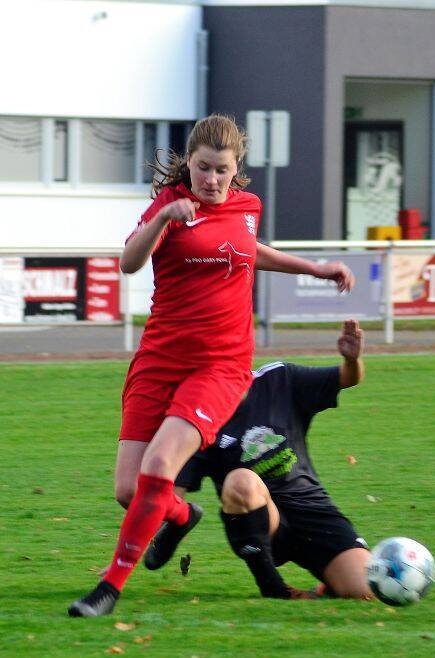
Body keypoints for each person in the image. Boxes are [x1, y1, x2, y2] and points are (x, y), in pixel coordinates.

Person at [68, 114, 355, 617]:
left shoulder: (248, 208)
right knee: (130, 490)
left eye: (222, 170)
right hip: (159, 359)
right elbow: (129, 262)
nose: (212, 180)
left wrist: (314, 267)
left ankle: (109, 588)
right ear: (190, 163)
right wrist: (161, 220)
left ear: (236, 167)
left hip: (220, 366)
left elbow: (245, 250)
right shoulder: (170, 205)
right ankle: (180, 517)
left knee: (161, 467)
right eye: (203, 169)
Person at [144, 319, 373, 601]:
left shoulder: (281, 379)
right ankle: (274, 588)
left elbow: (348, 378)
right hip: (262, 524)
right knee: (241, 481)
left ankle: (330, 584)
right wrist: (130, 552)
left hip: (312, 509)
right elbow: (170, 495)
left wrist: (352, 359)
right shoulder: (198, 418)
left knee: (367, 592)